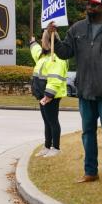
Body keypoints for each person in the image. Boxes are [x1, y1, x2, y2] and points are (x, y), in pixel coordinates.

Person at [48, 0, 102, 185]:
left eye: (94, 5)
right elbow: (64, 52)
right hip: (85, 91)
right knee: (87, 132)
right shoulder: (77, 28)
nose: (90, 8)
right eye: (88, 4)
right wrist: (53, 36)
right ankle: (90, 171)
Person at [30, 29, 69, 158]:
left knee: (52, 121)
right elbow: (36, 53)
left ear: (47, 41)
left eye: (42, 39)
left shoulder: (56, 58)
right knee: (47, 121)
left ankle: (56, 148)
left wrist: (49, 95)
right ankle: (47, 146)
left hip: (51, 96)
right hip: (43, 94)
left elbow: (55, 78)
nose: (41, 41)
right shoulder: (44, 55)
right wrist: (32, 43)